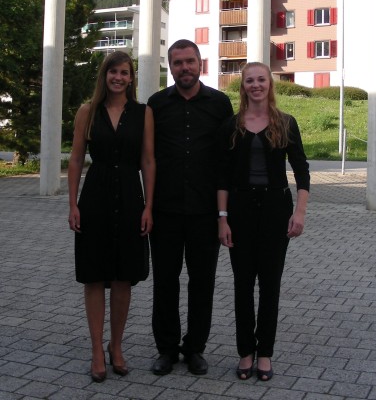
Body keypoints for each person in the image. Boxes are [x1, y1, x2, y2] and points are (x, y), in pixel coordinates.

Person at [217, 62, 310, 381]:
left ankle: (265, 353)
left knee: (270, 285)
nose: (255, 85)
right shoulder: (231, 125)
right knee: (242, 285)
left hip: (275, 209)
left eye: (261, 80)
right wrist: (222, 219)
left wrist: (299, 212)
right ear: (242, 86)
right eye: (249, 81)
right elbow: (222, 177)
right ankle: (245, 352)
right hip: (240, 210)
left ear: (270, 84)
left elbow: (301, 170)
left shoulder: (286, 122)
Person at [147, 39, 233, 376]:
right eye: (178, 62)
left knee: (202, 283)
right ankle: (166, 349)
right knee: (165, 282)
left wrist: (226, 213)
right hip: (165, 210)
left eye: (190, 61)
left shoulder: (219, 104)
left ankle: (195, 348)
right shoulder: (156, 104)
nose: (184, 67)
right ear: (170, 67)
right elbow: (147, 157)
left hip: (205, 211)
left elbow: (227, 160)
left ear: (200, 64)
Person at [68, 51, 155, 383]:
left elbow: (148, 161)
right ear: (104, 75)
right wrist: (73, 204)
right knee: (94, 275)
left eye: (124, 72)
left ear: (131, 78)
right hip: (95, 198)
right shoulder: (87, 111)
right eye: (113, 72)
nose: (118, 77)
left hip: (131, 198)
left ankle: (116, 346)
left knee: (122, 277)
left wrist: (149, 206)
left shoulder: (143, 113)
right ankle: (95, 350)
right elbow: (76, 159)